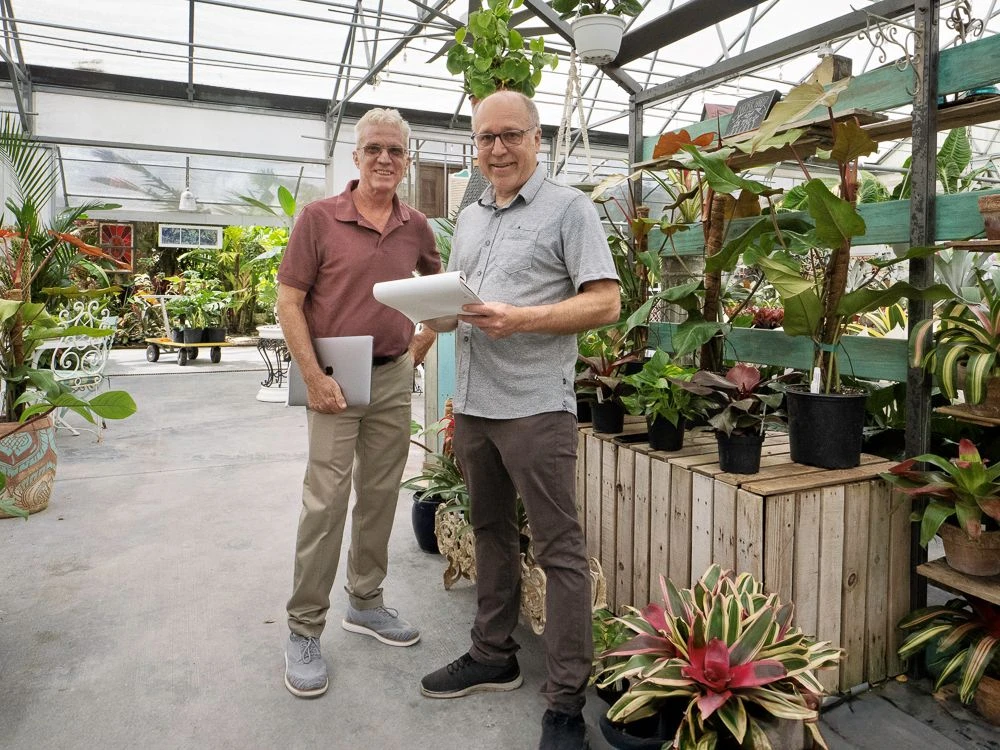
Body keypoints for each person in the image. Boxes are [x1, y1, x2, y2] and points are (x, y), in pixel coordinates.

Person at [419, 91, 620, 750]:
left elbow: (604, 304)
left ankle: (564, 704)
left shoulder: (570, 209)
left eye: (510, 135)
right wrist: (426, 321)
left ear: (538, 138)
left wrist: (523, 318)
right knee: (490, 531)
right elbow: (462, 302)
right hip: (475, 406)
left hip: (535, 409)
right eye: (485, 139)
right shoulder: (473, 216)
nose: (497, 149)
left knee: (560, 554)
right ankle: (492, 653)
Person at [278, 107, 440, 699]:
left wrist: (421, 341)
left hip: (393, 374)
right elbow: (289, 301)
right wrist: (313, 375)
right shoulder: (319, 219)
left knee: (378, 495)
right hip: (334, 375)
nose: (384, 160)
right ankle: (303, 628)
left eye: (395, 151)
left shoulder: (416, 225)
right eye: (374, 148)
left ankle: (366, 602)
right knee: (325, 501)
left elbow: (440, 285)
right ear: (356, 155)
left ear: (406, 160)